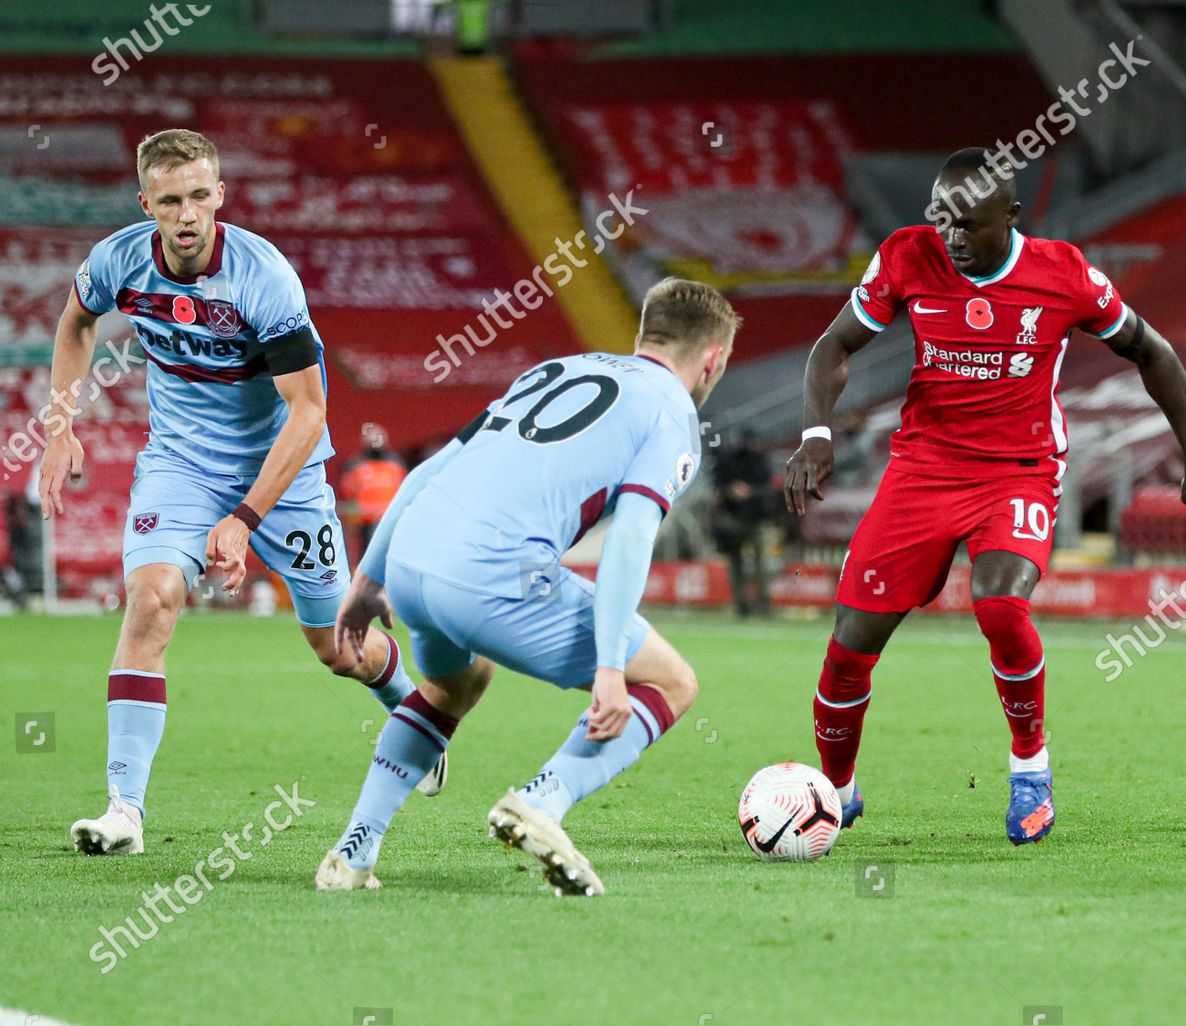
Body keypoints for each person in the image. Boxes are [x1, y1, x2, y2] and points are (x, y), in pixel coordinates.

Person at [782, 148, 1186, 846]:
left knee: (999, 602)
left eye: (968, 224)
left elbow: (1155, 353)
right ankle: (835, 790)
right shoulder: (908, 256)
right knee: (851, 644)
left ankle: (1031, 767)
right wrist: (815, 432)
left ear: (1012, 218)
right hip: (922, 470)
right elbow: (831, 349)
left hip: (1019, 469)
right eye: (943, 223)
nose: (953, 239)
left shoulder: (1062, 273)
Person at [42, 129, 437, 857]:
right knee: (152, 598)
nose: (187, 214)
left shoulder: (265, 279)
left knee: (336, 646)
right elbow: (76, 323)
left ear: (220, 195)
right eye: (170, 201)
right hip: (181, 465)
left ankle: (409, 705)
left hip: (281, 476)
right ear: (147, 205)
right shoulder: (119, 260)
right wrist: (60, 424)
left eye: (199, 196)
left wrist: (245, 517)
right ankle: (124, 808)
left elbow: (309, 410)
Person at [316, 278, 738, 894]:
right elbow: (630, 538)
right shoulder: (673, 413)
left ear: (642, 334)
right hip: (490, 573)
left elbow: (430, 470)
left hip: (410, 561)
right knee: (672, 680)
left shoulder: (560, 369)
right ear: (714, 359)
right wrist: (612, 667)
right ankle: (544, 800)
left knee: (453, 683)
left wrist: (368, 579)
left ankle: (352, 855)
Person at [710, 430, 773, 616]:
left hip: (757, 517)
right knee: (737, 562)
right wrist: (731, 491)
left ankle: (764, 604)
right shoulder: (730, 460)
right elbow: (719, 485)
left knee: (759, 562)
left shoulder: (762, 461)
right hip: (735, 518)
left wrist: (750, 492)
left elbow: (768, 488)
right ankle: (742, 605)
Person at [339, 422, 407, 559]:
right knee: (369, 554)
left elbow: (403, 488)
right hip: (367, 518)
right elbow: (348, 491)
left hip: (390, 516)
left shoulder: (395, 463)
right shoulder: (356, 464)